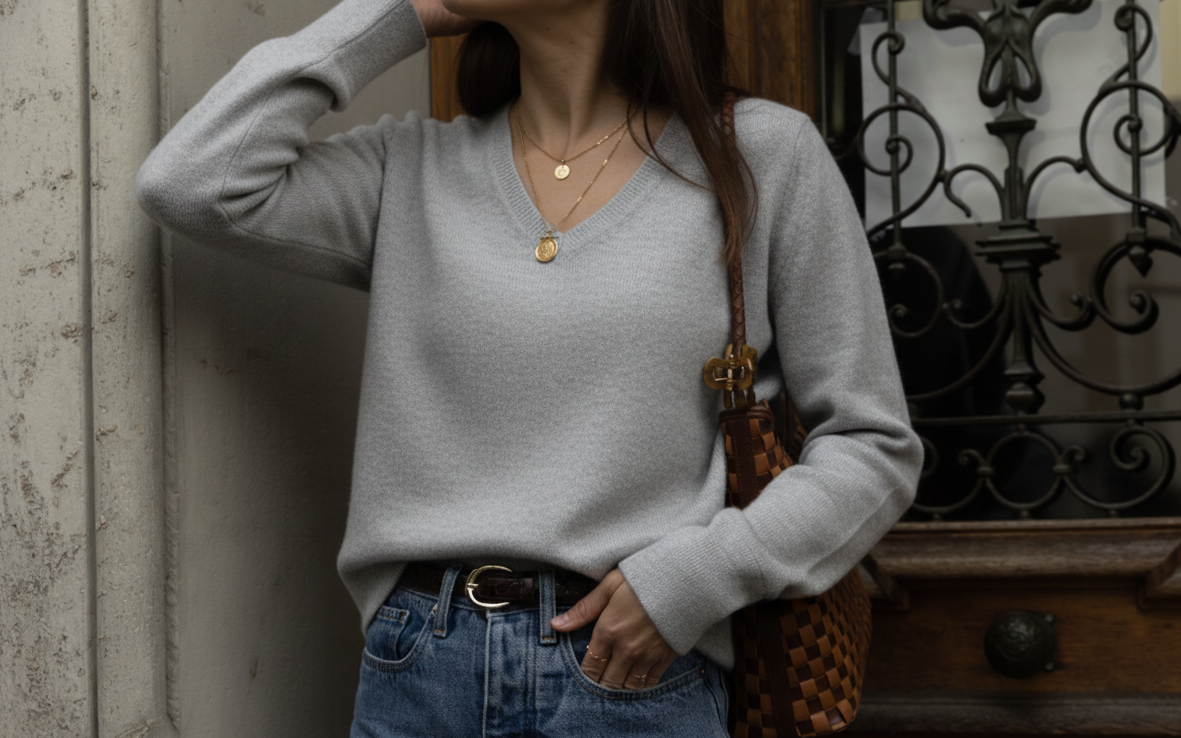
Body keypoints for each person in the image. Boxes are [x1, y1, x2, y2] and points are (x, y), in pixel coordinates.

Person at [136, 0, 923, 734]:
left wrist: (697, 579)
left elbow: (872, 446)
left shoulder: (756, 153)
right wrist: (395, 17)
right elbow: (194, 181)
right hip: (418, 666)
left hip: (636, 672)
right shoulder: (410, 168)